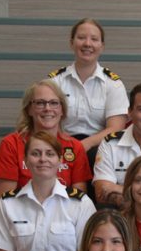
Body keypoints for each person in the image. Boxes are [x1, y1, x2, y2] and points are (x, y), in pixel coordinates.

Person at [0, 79, 91, 197]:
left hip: (64, 209)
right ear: (29, 109)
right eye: (40, 103)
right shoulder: (11, 144)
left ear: (62, 110)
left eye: (54, 103)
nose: (47, 108)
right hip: (23, 208)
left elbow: (79, 200)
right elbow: (6, 200)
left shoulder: (75, 147)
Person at [48, 18, 127, 152]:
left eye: (94, 39)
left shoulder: (114, 84)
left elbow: (116, 127)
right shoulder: (55, 82)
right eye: (81, 38)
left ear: (102, 46)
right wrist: (66, 146)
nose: (87, 44)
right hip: (59, 146)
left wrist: (83, 145)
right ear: (72, 43)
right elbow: (45, 121)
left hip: (100, 149)